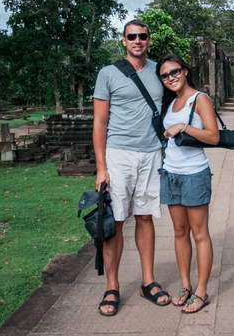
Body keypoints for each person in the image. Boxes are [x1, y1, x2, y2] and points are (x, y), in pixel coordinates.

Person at [92, 20, 171, 316]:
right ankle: (112, 286)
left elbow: (176, 99)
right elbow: (99, 122)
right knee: (116, 223)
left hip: (151, 153)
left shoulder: (159, 71)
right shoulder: (108, 73)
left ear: (149, 40)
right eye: (132, 37)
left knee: (145, 217)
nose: (137, 41)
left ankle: (148, 281)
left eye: (142, 36)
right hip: (118, 155)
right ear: (124, 41)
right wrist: (102, 167)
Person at [155, 53, 220, 314]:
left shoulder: (199, 99)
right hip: (170, 173)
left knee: (199, 232)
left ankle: (201, 291)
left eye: (174, 72)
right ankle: (185, 285)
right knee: (180, 232)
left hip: (194, 173)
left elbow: (213, 136)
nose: (171, 78)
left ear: (185, 71)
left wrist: (184, 126)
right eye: (165, 75)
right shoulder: (170, 103)